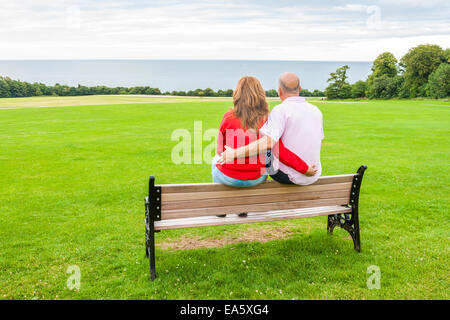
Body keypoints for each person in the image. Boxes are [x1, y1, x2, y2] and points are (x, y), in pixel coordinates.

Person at [218, 72, 323, 185]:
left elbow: (220, 149)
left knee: (218, 160)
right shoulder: (316, 111)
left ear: (279, 91)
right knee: (270, 149)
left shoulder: (228, 117)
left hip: (286, 175)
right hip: (313, 174)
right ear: (300, 88)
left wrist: (233, 154)